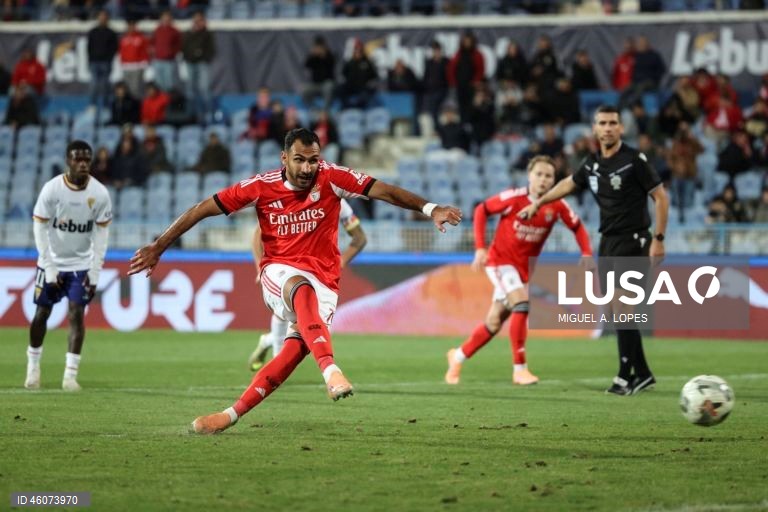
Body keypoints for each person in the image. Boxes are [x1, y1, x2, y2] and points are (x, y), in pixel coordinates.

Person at [128, 128, 462, 434]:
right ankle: (330, 369)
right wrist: (160, 245)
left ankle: (230, 415)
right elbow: (203, 208)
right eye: (299, 160)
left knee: (293, 351)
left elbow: (383, 190)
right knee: (298, 287)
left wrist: (430, 207)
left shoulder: (331, 177)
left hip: (325, 283)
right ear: (284, 158)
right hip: (280, 271)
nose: (307, 169)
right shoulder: (260, 186)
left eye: (313, 160)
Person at [518, 105, 669, 396]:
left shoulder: (634, 160)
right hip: (609, 242)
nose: (608, 127)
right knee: (615, 310)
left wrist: (658, 239)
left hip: (635, 240)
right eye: (603, 123)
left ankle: (625, 376)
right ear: (595, 128)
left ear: (621, 128)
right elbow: (567, 184)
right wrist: (538, 203)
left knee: (623, 305)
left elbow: (661, 198)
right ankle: (644, 373)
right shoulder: (592, 163)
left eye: (613, 122)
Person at [445, 156, 593, 386]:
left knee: (494, 323)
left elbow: (577, 226)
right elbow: (481, 210)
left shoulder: (557, 204)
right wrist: (479, 249)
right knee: (522, 305)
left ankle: (457, 356)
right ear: (529, 176)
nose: (543, 180)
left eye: (548, 176)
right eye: (539, 174)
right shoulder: (513, 198)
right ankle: (520, 369)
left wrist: (586, 253)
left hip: (522, 271)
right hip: (500, 263)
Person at [25, 141, 112, 392]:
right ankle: (33, 366)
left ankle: (70, 375)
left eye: (87, 159)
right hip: (50, 263)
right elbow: (39, 227)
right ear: (68, 161)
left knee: (76, 315)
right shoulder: (52, 190)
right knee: (42, 314)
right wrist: (49, 266)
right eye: (78, 159)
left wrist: (95, 271)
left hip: (80, 265)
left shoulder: (100, 194)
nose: (83, 163)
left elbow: (101, 235)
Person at [248, 198, 367, 371]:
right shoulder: (293, 197)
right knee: (287, 312)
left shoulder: (339, 203)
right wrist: (261, 266)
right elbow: (258, 234)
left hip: (321, 273)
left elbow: (360, 238)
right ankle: (277, 362)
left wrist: (340, 262)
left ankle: (268, 341)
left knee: (310, 325)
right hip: (288, 266)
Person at [87, 10, 119, 112]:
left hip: (106, 62)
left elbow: (114, 47)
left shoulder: (111, 33)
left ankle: (105, 105)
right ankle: (93, 105)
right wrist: (91, 59)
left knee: (106, 85)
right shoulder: (93, 32)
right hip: (94, 62)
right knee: (94, 85)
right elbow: (89, 47)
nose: (103, 19)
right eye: (101, 16)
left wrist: (109, 58)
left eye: (104, 17)